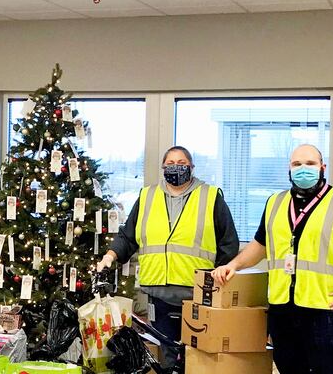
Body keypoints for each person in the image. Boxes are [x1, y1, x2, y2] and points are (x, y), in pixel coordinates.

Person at [212, 144, 333, 374]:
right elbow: (260, 245)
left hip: (325, 310)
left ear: (322, 168)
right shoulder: (275, 202)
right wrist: (233, 264)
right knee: (288, 369)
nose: (303, 169)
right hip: (282, 308)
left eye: (310, 164)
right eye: (297, 164)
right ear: (289, 169)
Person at [96, 146, 239, 366]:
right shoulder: (147, 196)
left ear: (191, 167)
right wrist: (109, 257)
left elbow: (228, 243)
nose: (176, 167)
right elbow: (128, 236)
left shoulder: (210, 196)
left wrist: (217, 279)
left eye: (181, 163)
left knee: (199, 358)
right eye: (170, 163)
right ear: (163, 168)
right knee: (167, 358)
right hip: (158, 295)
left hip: (198, 294)